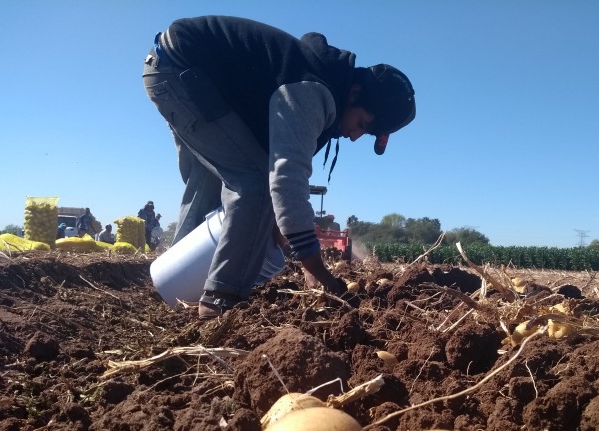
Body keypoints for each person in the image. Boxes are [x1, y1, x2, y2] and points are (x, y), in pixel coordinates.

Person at [142, 16, 416, 318]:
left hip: (175, 67)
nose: (354, 136)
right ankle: (220, 302)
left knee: (211, 178)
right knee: (254, 183)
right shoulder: (314, 92)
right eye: (362, 124)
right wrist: (315, 268)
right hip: (185, 72)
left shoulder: (319, 81)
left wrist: (275, 225)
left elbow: (277, 173)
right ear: (354, 94)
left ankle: (176, 286)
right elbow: (283, 179)